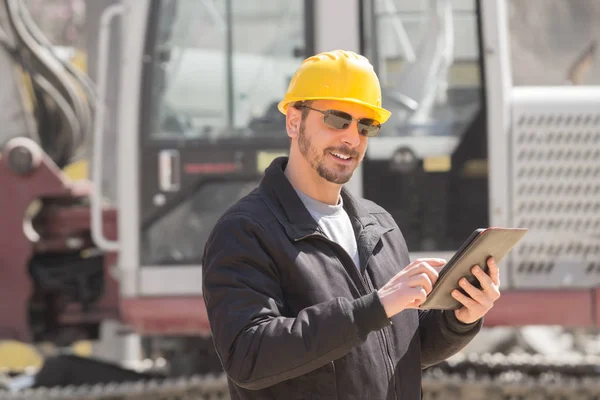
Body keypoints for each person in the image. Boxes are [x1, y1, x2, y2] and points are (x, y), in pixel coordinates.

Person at [202, 50, 501, 400]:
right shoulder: (246, 232)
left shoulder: (380, 227)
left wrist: (459, 318)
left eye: (365, 126)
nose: (352, 138)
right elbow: (248, 357)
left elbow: (399, 351)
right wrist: (373, 308)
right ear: (293, 121)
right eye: (337, 119)